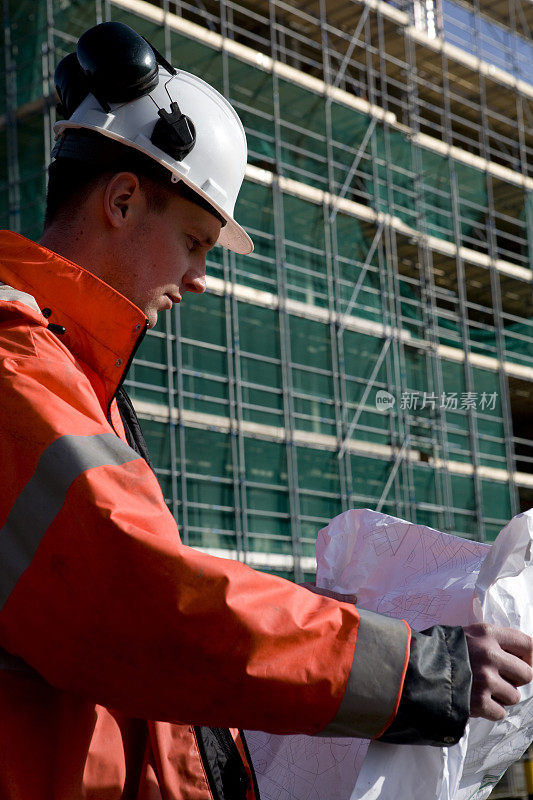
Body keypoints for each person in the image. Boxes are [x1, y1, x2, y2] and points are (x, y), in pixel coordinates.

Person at [0, 21, 531, 800]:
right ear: (120, 200)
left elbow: (133, 587)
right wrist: (416, 667)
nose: (202, 277)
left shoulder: (68, 372)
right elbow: (146, 604)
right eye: (194, 241)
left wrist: (327, 619)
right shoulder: (19, 366)